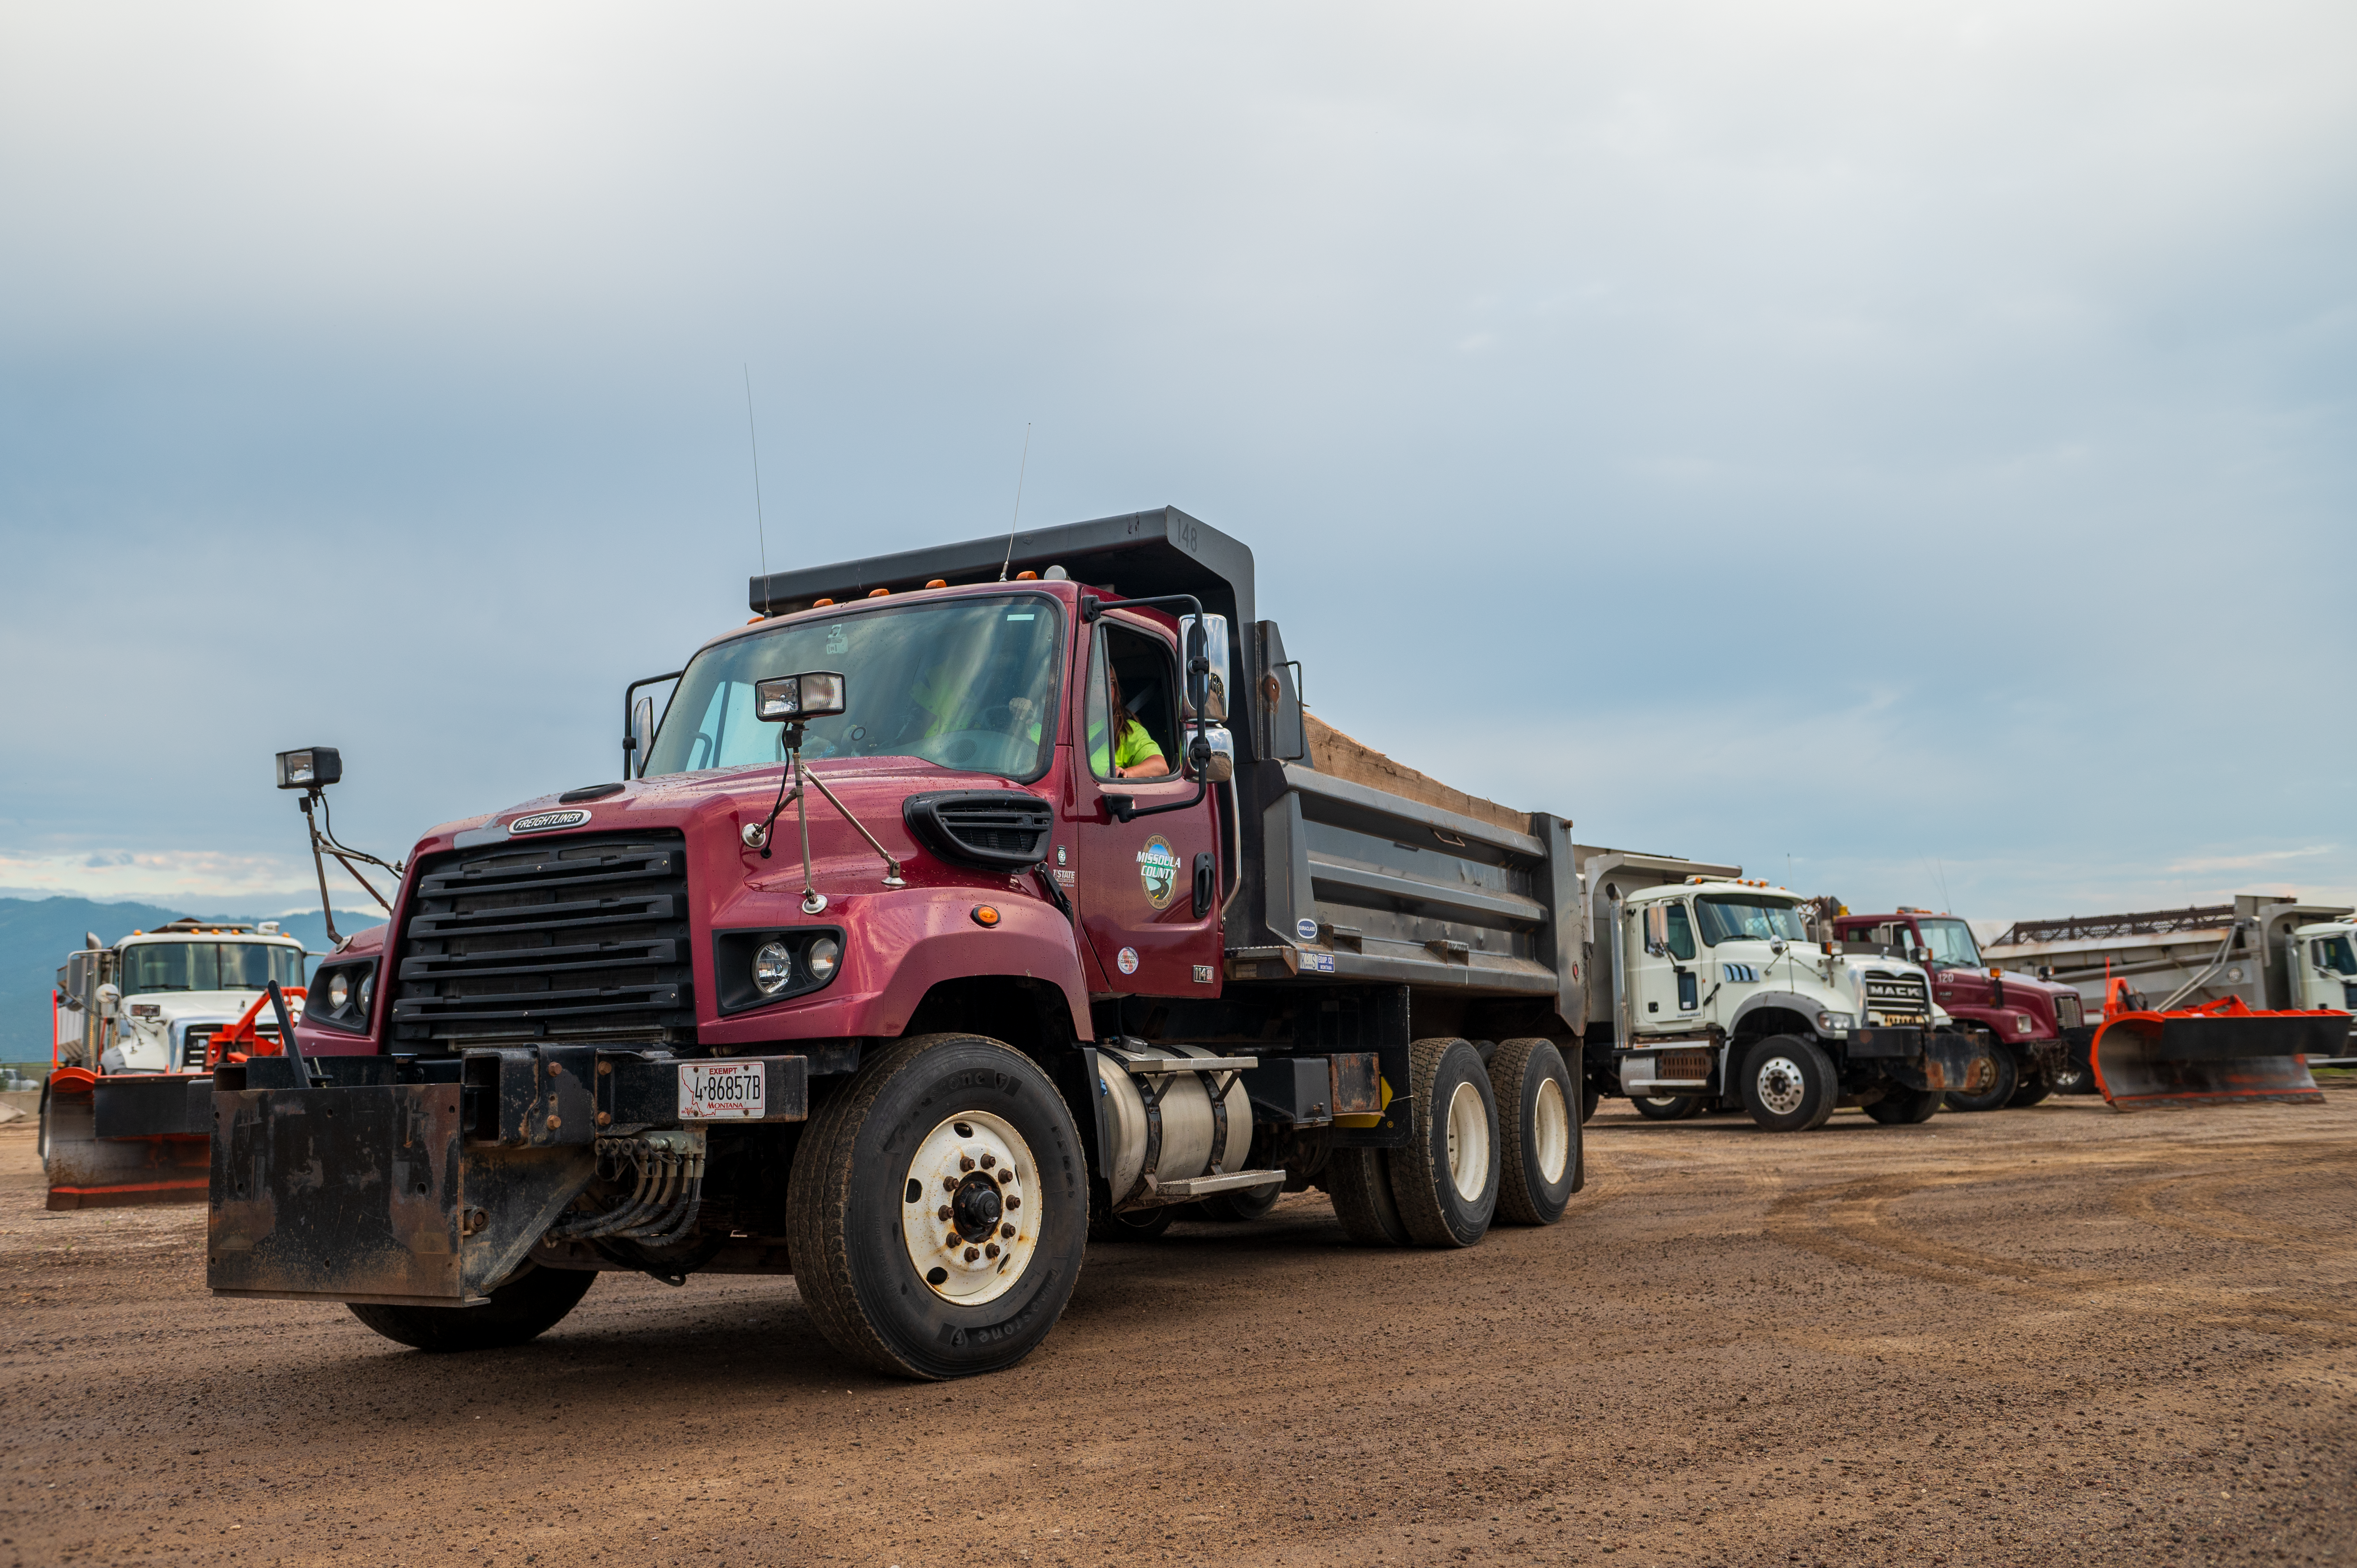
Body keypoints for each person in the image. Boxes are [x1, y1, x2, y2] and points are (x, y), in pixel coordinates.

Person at [1090, 665, 1167, 779]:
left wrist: (1125, 774)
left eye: (1111, 683)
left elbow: (1161, 767)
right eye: (1099, 682)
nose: (1108, 689)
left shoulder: (1125, 730)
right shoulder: (1063, 727)